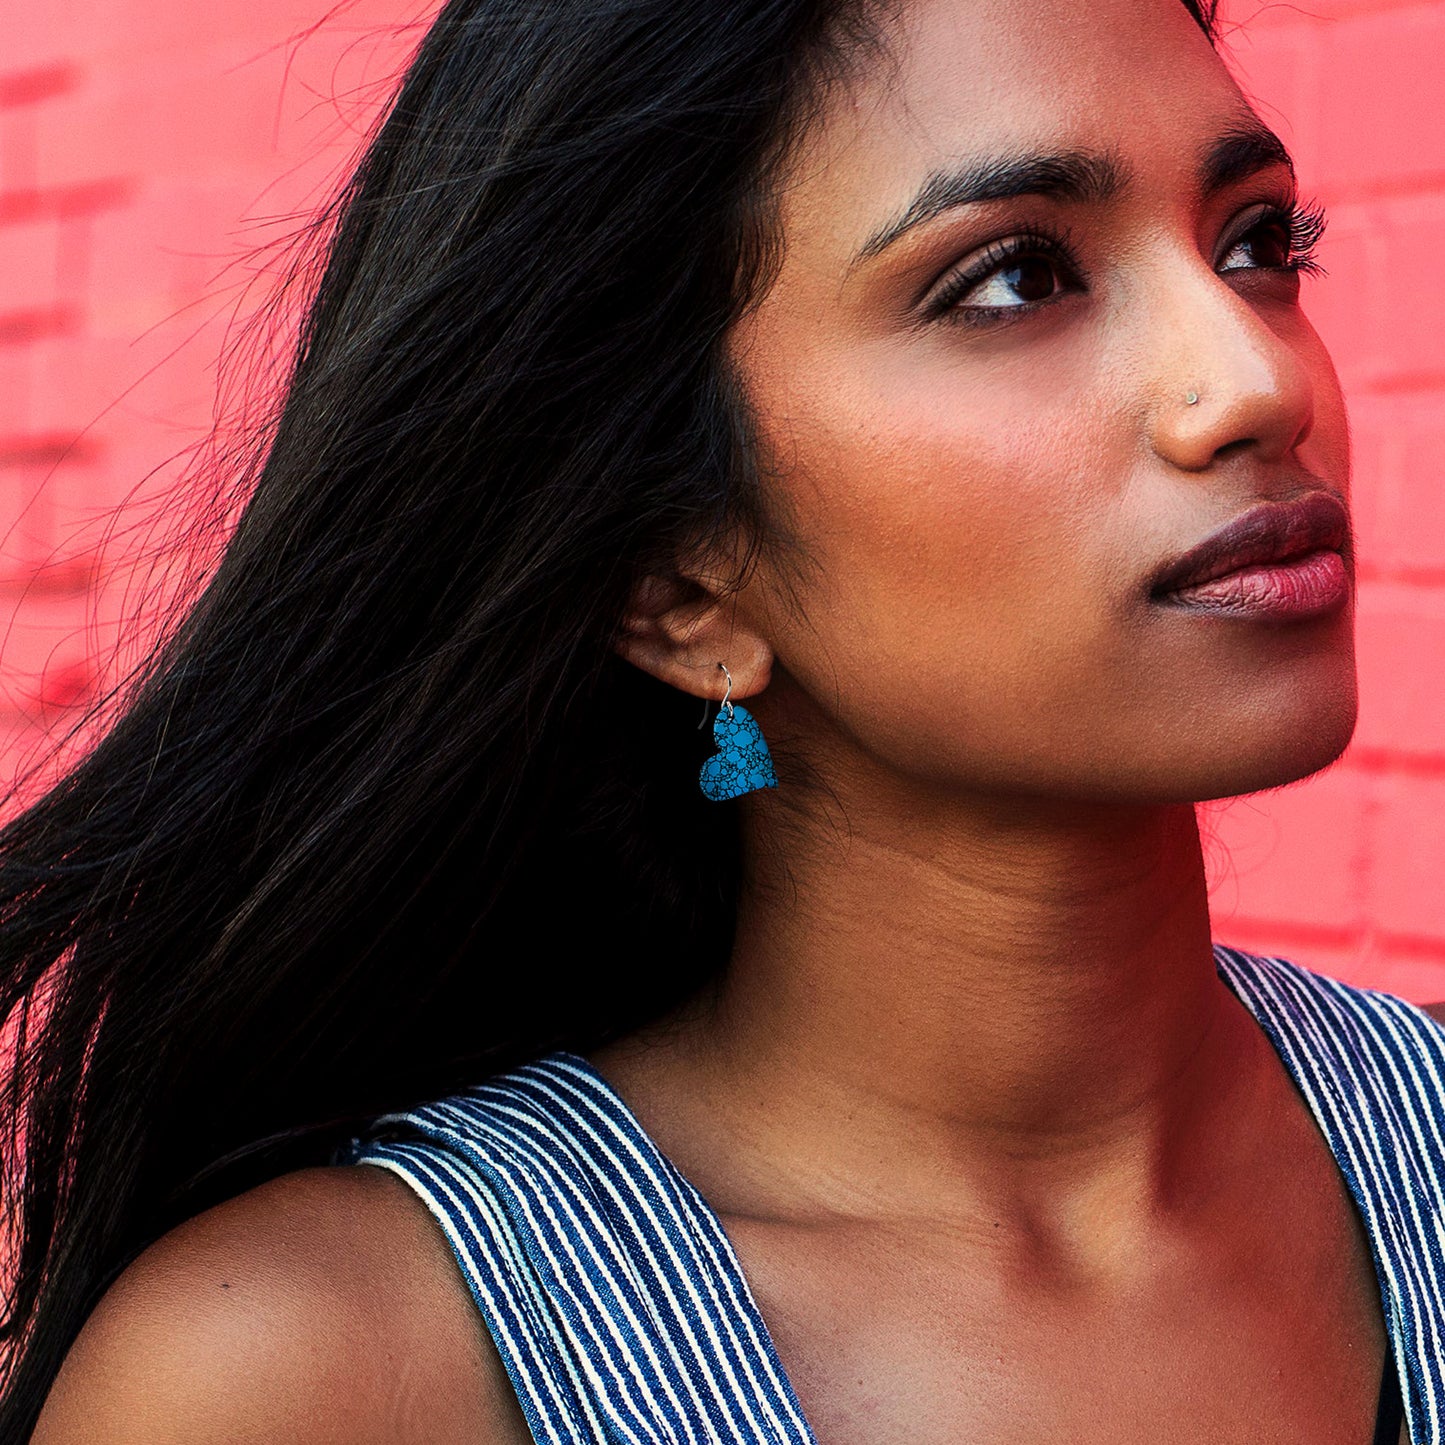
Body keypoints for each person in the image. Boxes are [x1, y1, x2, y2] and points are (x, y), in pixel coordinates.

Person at [0, 0, 1434, 1438]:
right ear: (685, 585)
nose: (1256, 384)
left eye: (1256, 242)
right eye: (1013, 280)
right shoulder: (326, 1373)